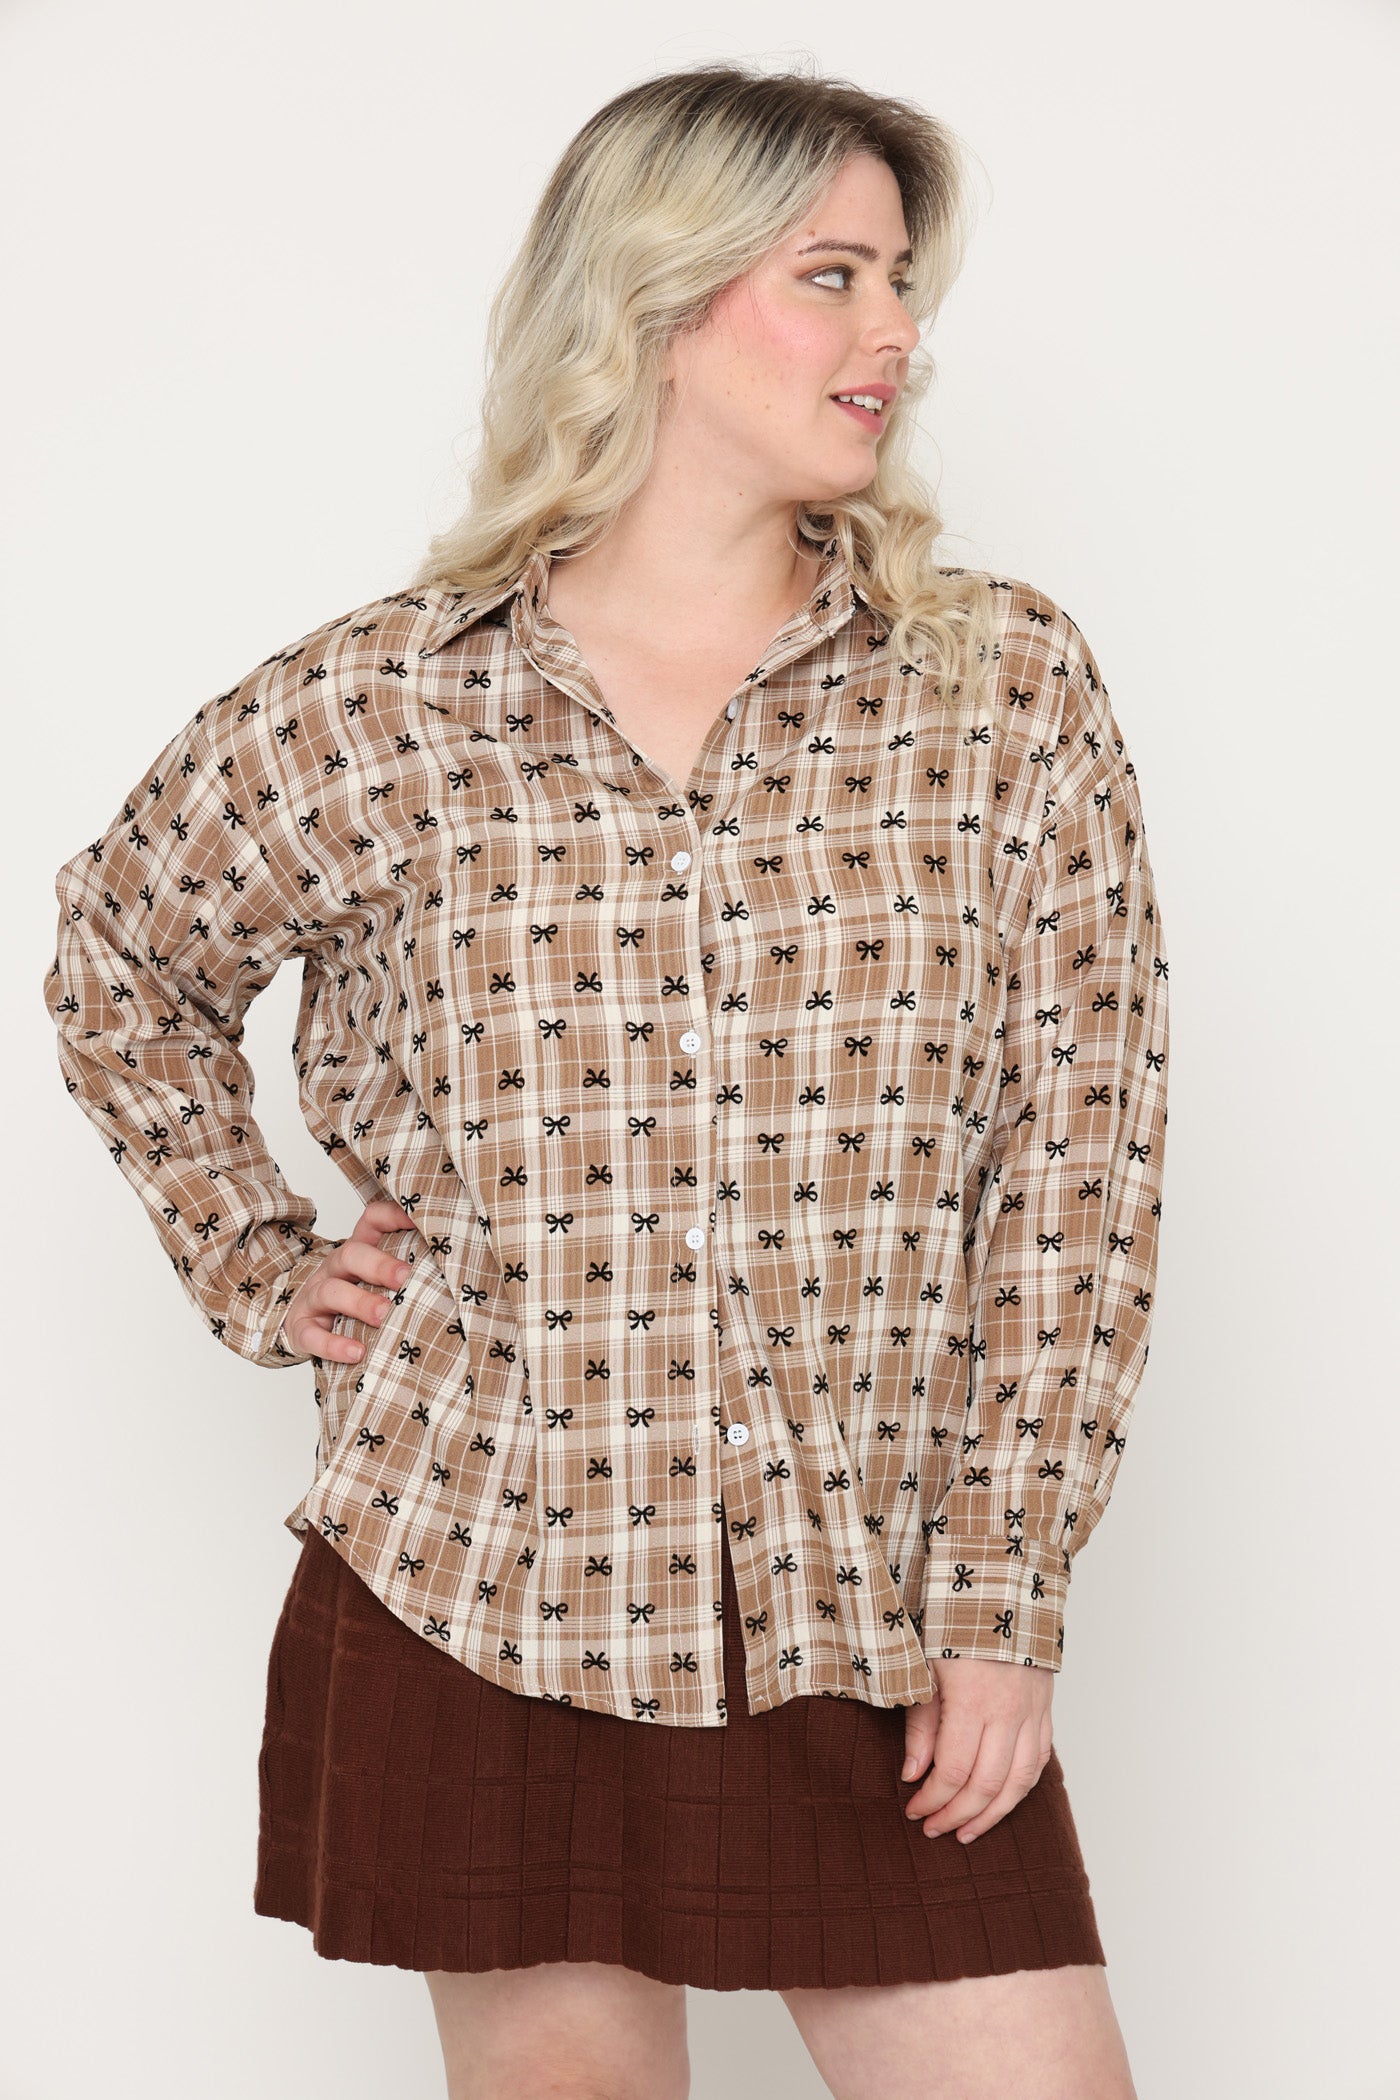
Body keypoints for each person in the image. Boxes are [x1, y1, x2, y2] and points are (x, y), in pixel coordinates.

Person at [44, 59, 1168, 2100]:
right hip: (485, 1571)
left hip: (865, 1596)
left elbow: (1078, 1162)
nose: (896, 335)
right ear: (657, 298)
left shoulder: (1001, 691)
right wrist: (257, 1257)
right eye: (831, 277)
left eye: (900, 282)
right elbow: (124, 948)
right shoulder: (386, 704)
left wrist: (1003, 1596)